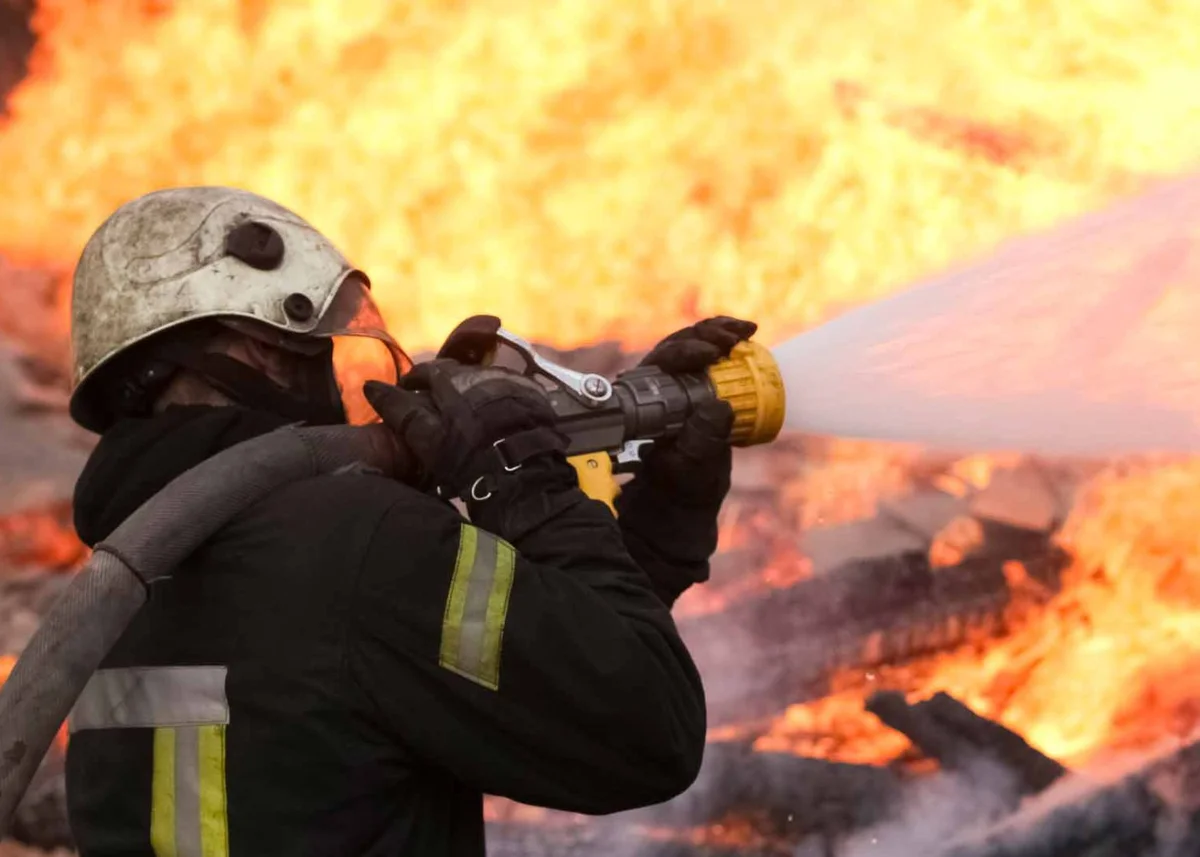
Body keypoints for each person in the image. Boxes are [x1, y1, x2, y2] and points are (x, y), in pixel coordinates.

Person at [63, 185, 756, 857]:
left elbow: (521, 673)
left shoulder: (107, 592)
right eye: (317, 351)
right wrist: (517, 476)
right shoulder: (356, 544)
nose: (338, 383)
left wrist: (658, 525)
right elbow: (643, 725)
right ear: (264, 352)